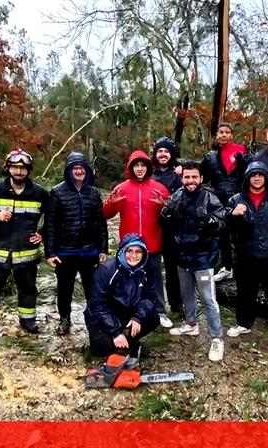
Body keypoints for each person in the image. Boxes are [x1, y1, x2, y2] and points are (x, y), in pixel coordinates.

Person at [0, 148, 50, 339]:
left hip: (27, 253)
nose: (19, 172)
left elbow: (55, 216)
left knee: (28, 290)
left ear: (29, 170)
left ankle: (27, 321)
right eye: (15, 168)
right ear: (8, 168)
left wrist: (43, 234)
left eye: (23, 169)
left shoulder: (39, 193)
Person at [160, 161, 226, 362]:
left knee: (208, 298)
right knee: (186, 292)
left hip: (203, 256)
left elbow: (223, 222)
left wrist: (210, 222)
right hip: (182, 254)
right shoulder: (176, 197)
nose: (190, 181)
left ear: (201, 178)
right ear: (182, 178)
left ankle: (217, 338)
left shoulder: (210, 198)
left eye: (194, 177)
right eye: (187, 177)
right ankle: (191, 323)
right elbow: (165, 222)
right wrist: (166, 214)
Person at [225, 161, 268, 348]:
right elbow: (225, 224)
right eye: (253, 175)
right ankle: (244, 323)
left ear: (266, 177)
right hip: (246, 255)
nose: (256, 178)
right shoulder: (236, 199)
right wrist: (233, 215)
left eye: (260, 175)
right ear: (247, 178)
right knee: (245, 293)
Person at [102, 150, 173, 328]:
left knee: (155, 278)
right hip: (129, 245)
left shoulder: (159, 188)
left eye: (143, 165)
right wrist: (111, 203)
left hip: (153, 242)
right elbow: (106, 214)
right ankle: (128, 312)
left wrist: (166, 206)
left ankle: (160, 311)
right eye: (136, 165)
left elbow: (171, 215)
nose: (140, 169)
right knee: (127, 279)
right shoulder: (121, 188)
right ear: (131, 168)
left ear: (148, 167)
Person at [45, 152, 108, 336]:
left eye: (82, 168)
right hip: (65, 252)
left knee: (92, 289)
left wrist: (103, 248)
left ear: (87, 170)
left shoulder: (94, 193)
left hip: (90, 251)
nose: (79, 171)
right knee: (65, 288)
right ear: (69, 170)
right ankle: (65, 319)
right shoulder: (57, 192)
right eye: (75, 168)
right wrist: (49, 252)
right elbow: (50, 224)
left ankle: (94, 319)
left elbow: (101, 223)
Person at [84, 234, 161, 358]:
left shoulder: (148, 269)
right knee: (103, 348)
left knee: (153, 318)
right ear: (122, 251)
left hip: (128, 312)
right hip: (103, 315)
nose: (134, 256)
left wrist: (137, 317)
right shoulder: (105, 270)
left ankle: (128, 341)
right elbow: (98, 305)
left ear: (144, 253)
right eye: (129, 251)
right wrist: (116, 332)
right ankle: (115, 340)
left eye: (138, 252)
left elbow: (150, 297)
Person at [200, 123, 248, 282]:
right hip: (218, 200)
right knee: (222, 235)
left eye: (227, 132)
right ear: (217, 135)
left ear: (231, 135)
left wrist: (243, 163)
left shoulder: (244, 152)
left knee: (241, 235)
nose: (223, 135)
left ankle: (244, 268)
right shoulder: (210, 156)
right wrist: (210, 196)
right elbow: (203, 178)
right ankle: (227, 267)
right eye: (221, 132)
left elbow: (254, 173)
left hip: (239, 199)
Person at [150, 137, 183, 314]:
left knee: (172, 266)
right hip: (152, 224)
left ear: (171, 154)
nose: (163, 154)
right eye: (159, 151)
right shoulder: (149, 174)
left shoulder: (178, 174)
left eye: (166, 151)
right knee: (152, 266)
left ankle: (176, 301)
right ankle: (152, 302)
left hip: (172, 226)